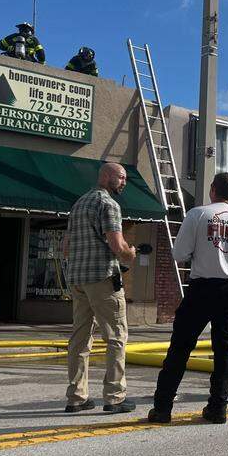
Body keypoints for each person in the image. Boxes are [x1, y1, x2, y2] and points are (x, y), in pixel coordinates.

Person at [148, 172, 228, 424]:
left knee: (181, 347)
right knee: (224, 350)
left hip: (201, 287)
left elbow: (179, 253)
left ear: (212, 189)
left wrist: (204, 253)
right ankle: (218, 408)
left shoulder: (198, 214)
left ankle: (162, 408)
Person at [62, 162, 136, 413]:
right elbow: (117, 246)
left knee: (80, 339)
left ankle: (76, 397)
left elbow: (66, 247)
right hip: (103, 279)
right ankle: (115, 397)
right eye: (121, 177)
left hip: (77, 279)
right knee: (116, 336)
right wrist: (130, 254)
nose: (124, 182)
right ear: (106, 176)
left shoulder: (79, 204)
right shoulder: (109, 204)